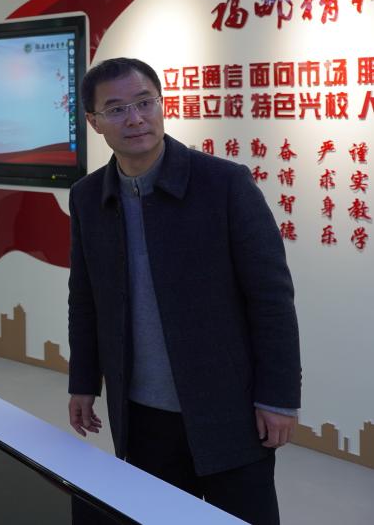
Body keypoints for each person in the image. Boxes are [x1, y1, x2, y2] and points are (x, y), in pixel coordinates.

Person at [67, 57, 301, 525]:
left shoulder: (224, 184)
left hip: (229, 407)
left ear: (162, 104)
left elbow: (271, 299)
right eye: (116, 109)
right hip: (141, 412)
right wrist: (83, 382)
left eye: (144, 102)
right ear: (94, 122)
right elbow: (85, 298)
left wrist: (278, 398)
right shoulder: (88, 197)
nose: (135, 118)